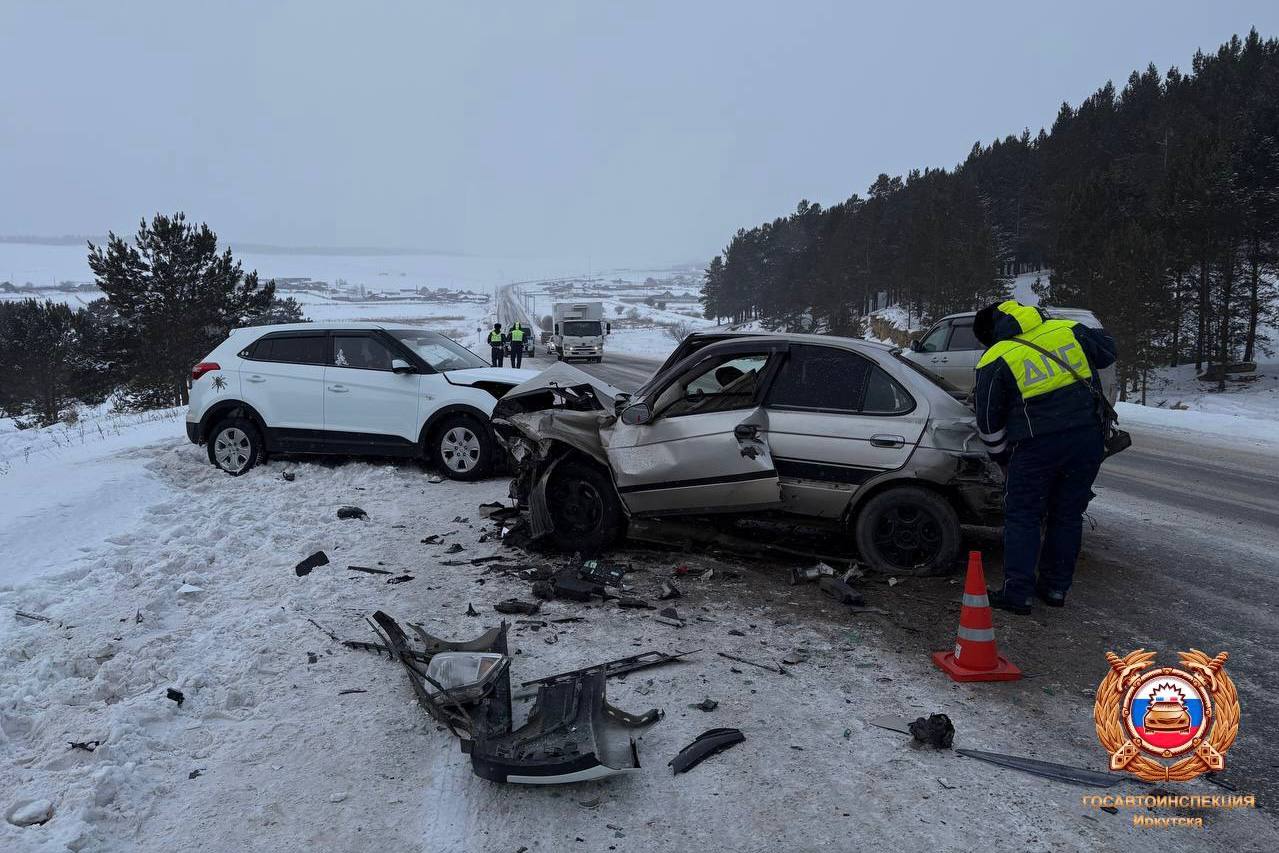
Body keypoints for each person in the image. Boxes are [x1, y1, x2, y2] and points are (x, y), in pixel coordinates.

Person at [972, 299, 1116, 614]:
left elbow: (987, 420)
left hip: (1036, 446)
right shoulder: (1068, 329)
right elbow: (1108, 352)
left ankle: (1018, 595)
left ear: (991, 332)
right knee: (1066, 515)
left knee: (1023, 515)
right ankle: (1054, 589)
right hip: (1086, 438)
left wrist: (1001, 459)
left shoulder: (996, 357)